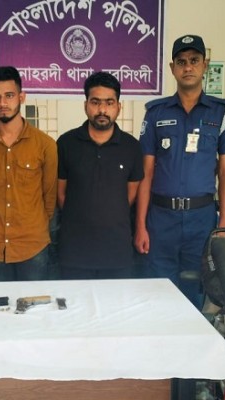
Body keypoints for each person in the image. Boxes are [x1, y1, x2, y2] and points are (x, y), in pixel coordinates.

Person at [134, 35, 225, 308]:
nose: (188, 67)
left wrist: (223, 228)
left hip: (201, 221)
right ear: (172, 68)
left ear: (205, 65)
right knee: (158, 292)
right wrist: (141, 225)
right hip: (161, 220)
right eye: (181, 62)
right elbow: (146, 173)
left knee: (195, 292)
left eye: (194, 60)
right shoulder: (156, 113)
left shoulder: (221, 112)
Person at [0, 66, 58, 281]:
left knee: (33, 302)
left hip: (33, 246)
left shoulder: (45, 145)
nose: (3, 103)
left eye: (9, 96)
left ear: (21, 97)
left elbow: (49, 198)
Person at [56, 72, 144, 279]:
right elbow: (61, 194)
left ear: (118, 107)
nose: (102, 110)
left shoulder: (131, 147)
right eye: (95, 102)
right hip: (74, 251)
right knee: (74, 300)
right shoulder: (66, 143)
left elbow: (131, 195)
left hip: (117, 251)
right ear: (85, 105)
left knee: (118, 300)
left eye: (109, 103)